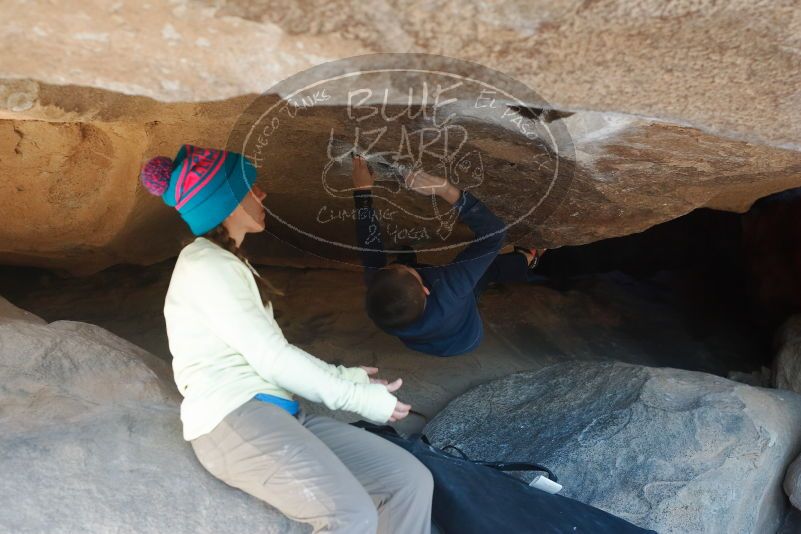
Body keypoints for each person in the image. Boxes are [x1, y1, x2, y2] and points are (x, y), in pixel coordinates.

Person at [140, 144, 433, 534]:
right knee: (351, 517)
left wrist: (344, 376)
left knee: (408, 481)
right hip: (234, 419)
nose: (262, 194)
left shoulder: (227, 261)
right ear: (225, 202)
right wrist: (357, 398)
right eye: (250, 187)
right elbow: (272, 358)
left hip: (282, 415)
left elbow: (273, 354)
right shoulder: (206, 265)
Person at [352, 155, 545, 356]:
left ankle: (406, 261)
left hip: (423, 336)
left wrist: (362, 191)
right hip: (465, 337)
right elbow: (494, 235)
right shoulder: (451, 288)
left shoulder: (379, 300)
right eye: (410, 271)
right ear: (426, 290)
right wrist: (445, 189)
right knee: (487, 270)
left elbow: (370, 247)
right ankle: (528, 259)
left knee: (400, 265)